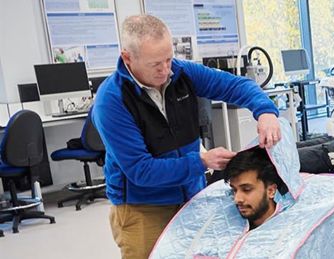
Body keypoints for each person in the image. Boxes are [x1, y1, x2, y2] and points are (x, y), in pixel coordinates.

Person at [91, 15, 281, 259]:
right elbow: (141, 171)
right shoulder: (112, 101)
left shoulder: (182, 73)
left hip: (191, 196)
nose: (165, 69)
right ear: (128, 58)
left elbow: (236, 86)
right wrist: (201, 162)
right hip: (143, 207)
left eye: (169, 58)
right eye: (155, 64)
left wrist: (265, 111)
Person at [225, 147, 287, 230]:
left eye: (246, 189)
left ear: (271, 191)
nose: (237, 199)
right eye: (234, 190)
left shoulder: (289, 230)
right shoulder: (230, 229)